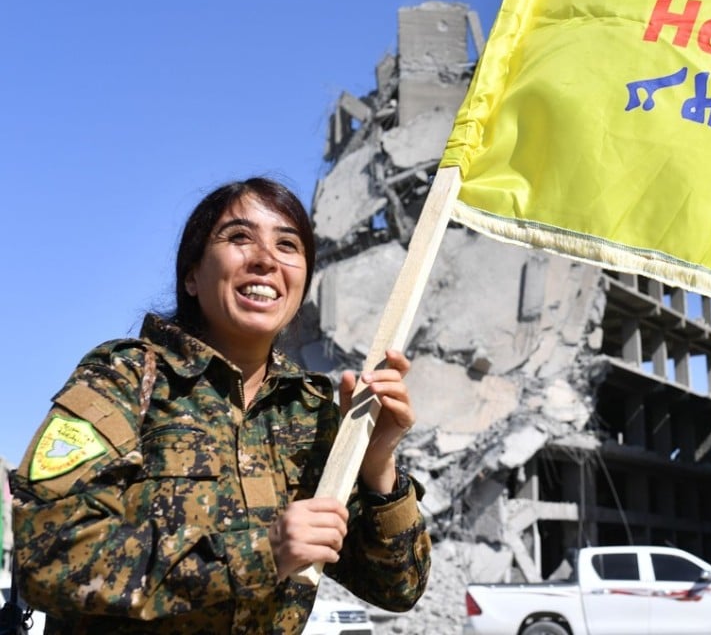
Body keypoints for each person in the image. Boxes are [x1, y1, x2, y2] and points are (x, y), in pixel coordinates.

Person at [10, 177, 430, 634]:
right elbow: (46, 555)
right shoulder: (130, 378)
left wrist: (377, 464)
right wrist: (262, 553)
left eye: (287, 245)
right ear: (191, 275)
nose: (266, 260)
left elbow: (399, 588)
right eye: (239, 237)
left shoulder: (312, 415)